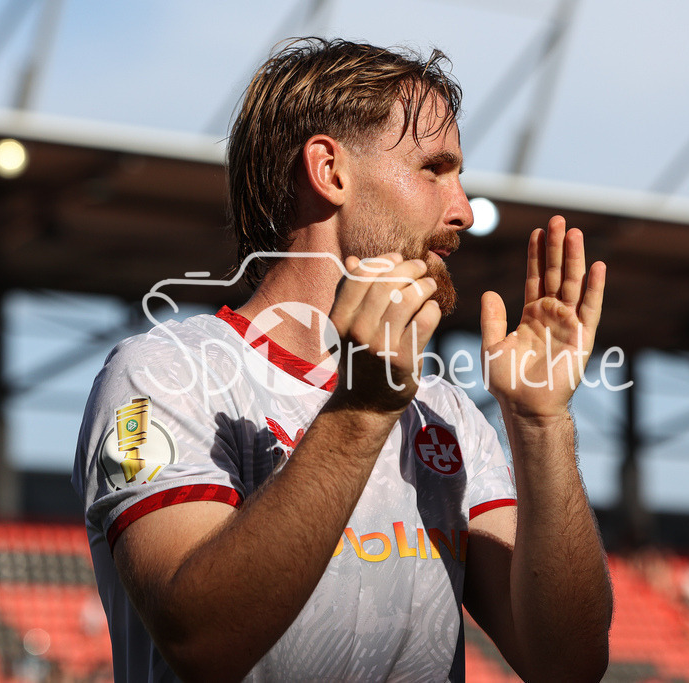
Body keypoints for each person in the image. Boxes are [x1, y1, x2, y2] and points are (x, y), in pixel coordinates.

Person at [73, 37, 613, 682]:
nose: (463, 210)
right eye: (434, 170)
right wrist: (359, 413)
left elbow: (570, 666)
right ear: (330, 171)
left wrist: (541, 425)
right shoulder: (164, 375)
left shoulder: (444, 412)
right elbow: (200, 640)